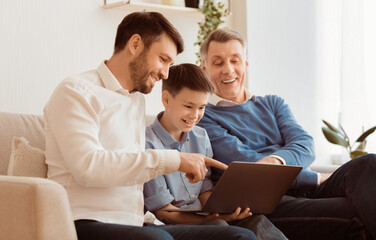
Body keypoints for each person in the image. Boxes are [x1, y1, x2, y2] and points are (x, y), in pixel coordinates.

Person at [43, 12, 257, 240]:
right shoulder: (76, 91)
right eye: (163, 59)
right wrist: (175, 160)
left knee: (240, 236)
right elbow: (88, 167)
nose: (165, 73)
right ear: (135, 44)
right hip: (81, 221)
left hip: (137, 221)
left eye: (170, 64)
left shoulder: (136, 100)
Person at [197, 28, 376, 240]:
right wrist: (315, 178)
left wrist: (276, 161)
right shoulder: (204, 115)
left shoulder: (273, 103)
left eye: (235, 60)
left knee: (368, 164)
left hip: (303, 192)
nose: (228, 70)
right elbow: (249, 168)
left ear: (245, 65)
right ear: (204, 68)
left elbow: (304, 144)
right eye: (218, 63)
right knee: (354, 208)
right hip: (265, 203)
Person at [143, 63, 286, 240]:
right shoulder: (146, 143)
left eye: (202, 107)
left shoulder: (201, 136)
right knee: (219, 226)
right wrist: (212, 219)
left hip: (205, 217)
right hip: (170, 224)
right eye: (188, 106)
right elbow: (163, 211)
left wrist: (220, 212)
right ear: (166, 99)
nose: (195, 115)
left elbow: (204, 190)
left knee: (255, 220)